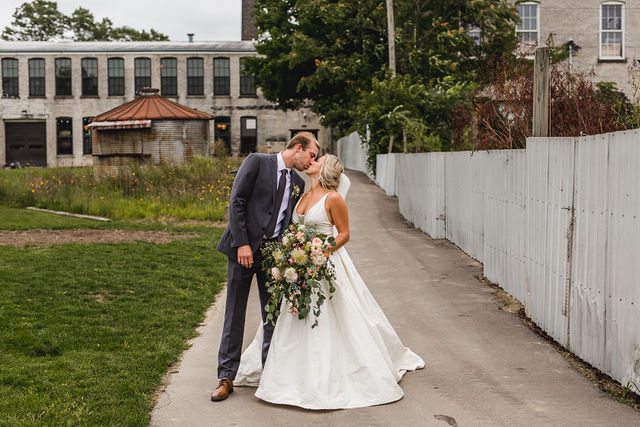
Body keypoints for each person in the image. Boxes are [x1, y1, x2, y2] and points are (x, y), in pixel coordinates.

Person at [234, 154, 424, 409]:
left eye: (318, 159)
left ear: (327, 169)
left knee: (331, 320)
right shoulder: (301, 195)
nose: (311, 160)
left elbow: (344, 234)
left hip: (325, 264)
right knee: (292, 318)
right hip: (299, 267)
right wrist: (292, 255)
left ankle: (332, 375)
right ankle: (289, 375)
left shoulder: (333, 198)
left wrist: (319, 253)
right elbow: (293, 229)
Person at [211, 132, 319, 401]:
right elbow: (236, 201)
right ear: (298, 148)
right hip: (242, 250)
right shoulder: (257, 161)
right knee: (234, 312)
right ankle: (226, 377)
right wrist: (243, 244)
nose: (311, 161)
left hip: (273, 256)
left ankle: (270, 374)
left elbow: (289, 221)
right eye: (311, 155)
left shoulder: (297, 181)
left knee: (272, 315)